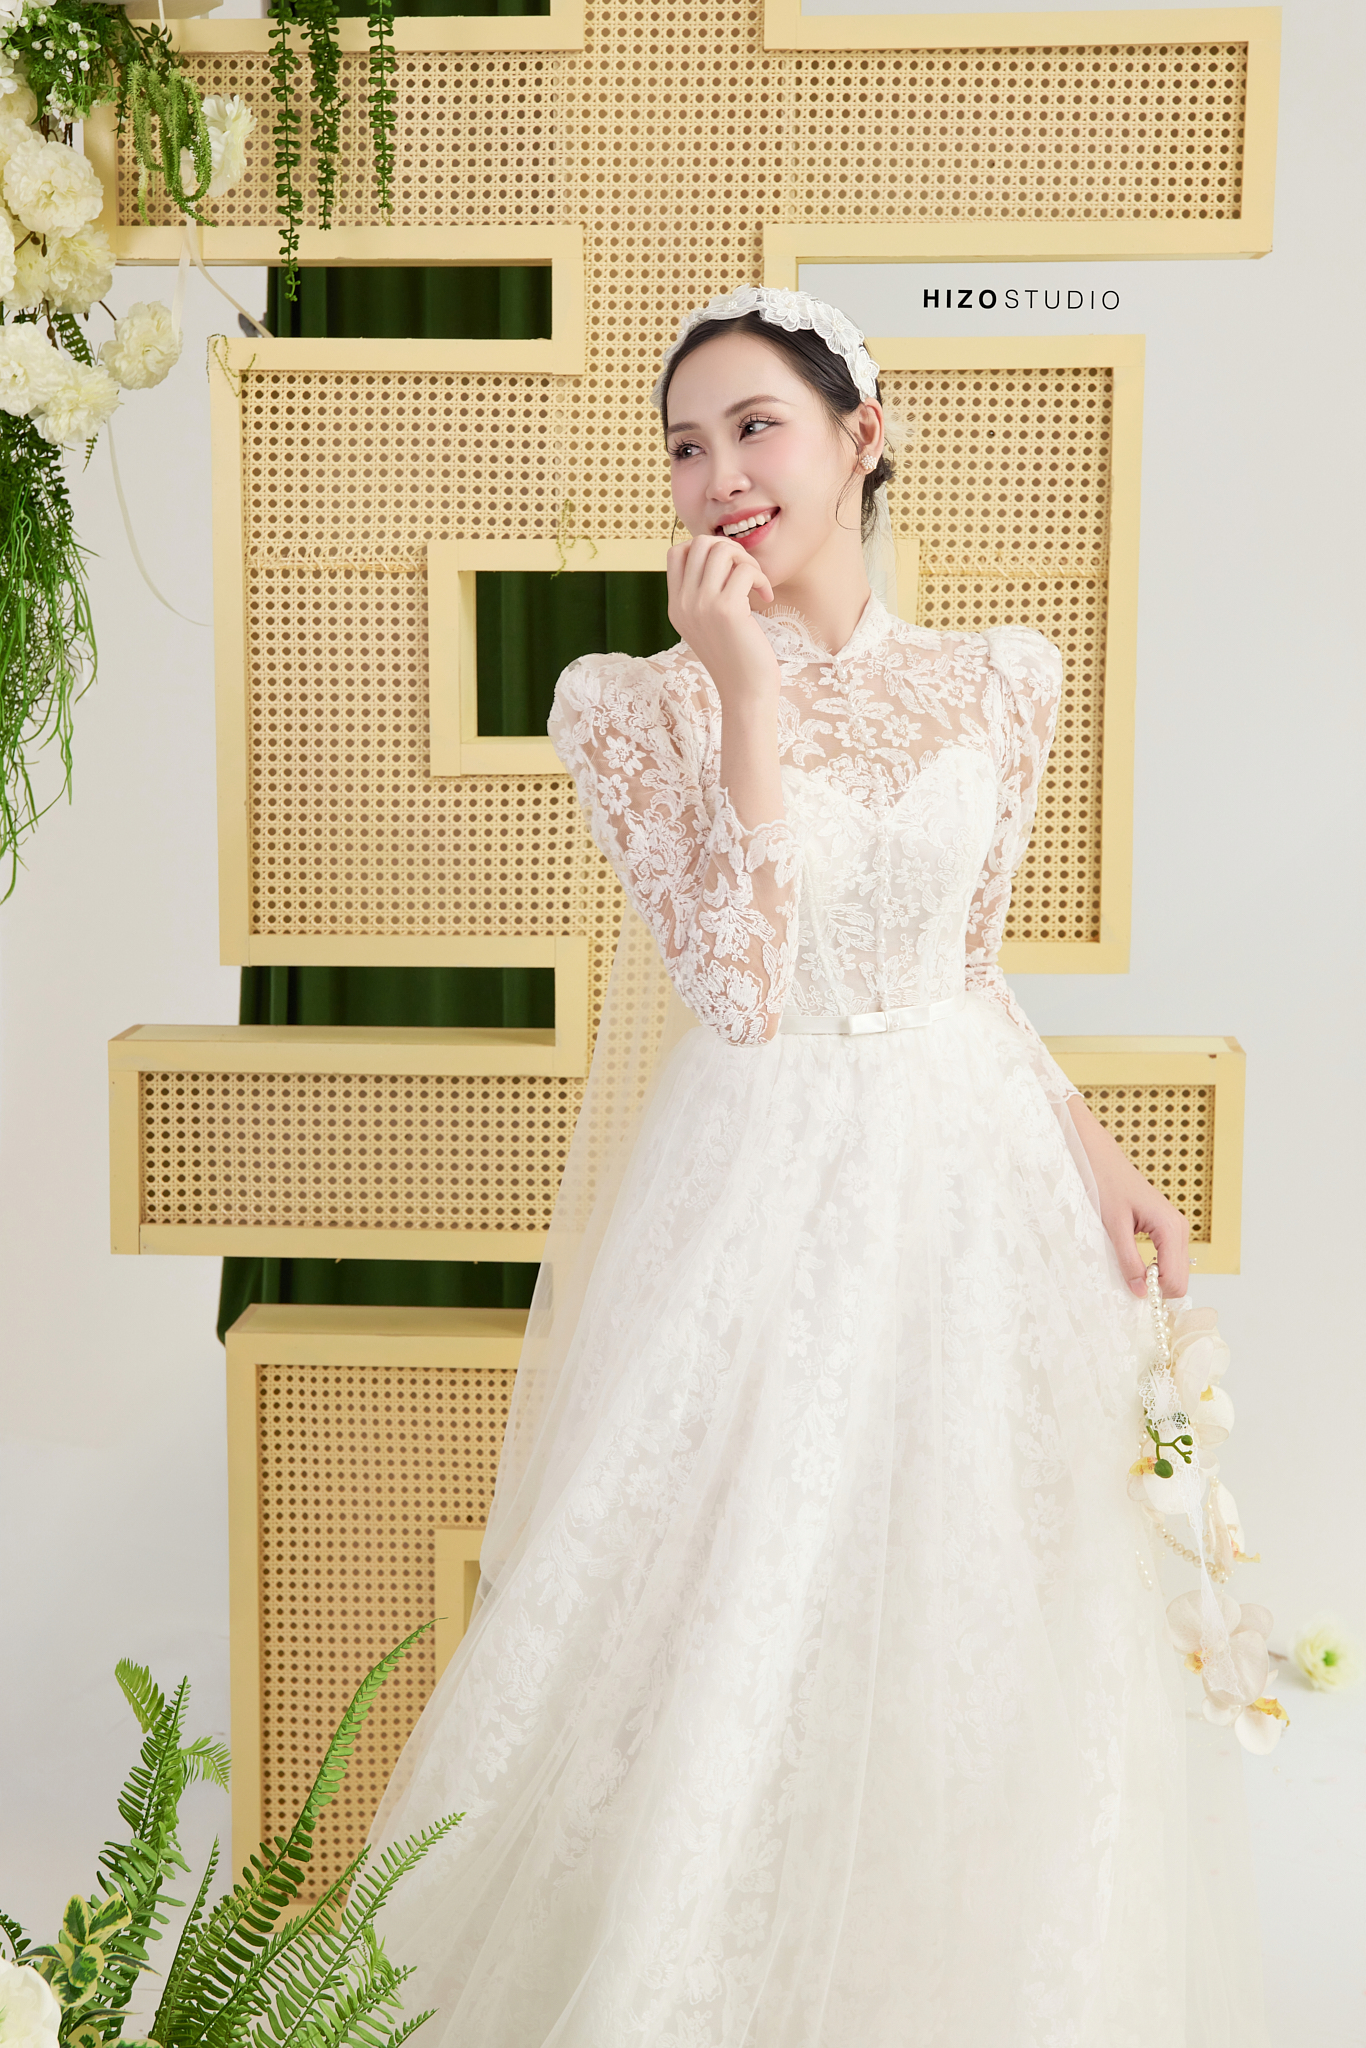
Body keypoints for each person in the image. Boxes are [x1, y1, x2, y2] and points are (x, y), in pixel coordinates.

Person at [369, 285, 1270, 2046]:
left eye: (754, 426)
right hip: (765, 1178)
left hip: (977, 1175)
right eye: (683, 446)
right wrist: (742, 694)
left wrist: (1096, 1155)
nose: (717, 474)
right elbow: (740, 991)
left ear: (862, 437)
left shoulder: (999, 679)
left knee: (985, 1584)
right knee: (745, 1591)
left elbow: (969, 965)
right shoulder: (627, 705)